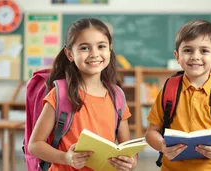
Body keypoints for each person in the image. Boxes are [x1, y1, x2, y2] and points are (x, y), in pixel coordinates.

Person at [28, 18, 137, 171]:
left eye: (101, 46)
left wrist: (130, 162)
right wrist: (66, 157)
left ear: (110, 49)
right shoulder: (60, 94)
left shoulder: (117, 96)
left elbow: (127, 148)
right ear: (70, 54)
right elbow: (34, 145)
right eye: (85, 48)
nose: (94, 54)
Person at [145, 19, 211, 171]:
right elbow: (151, 132)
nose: (195, 56)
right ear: (177, 56)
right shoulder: (169, 89)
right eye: (188, 50)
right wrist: (162, 146)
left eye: (204, 51)